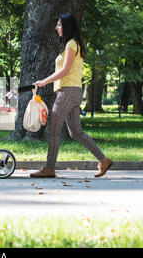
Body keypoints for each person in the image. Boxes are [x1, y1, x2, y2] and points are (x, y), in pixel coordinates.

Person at [30, 13, 112, 178]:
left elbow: (65, 70)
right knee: (75, 132)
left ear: (66, 26)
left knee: (53, 130)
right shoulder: (74, 44)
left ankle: (49, 168)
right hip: (73, 91)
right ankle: (103, 160)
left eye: (59, 24)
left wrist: (44, 81)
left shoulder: (71, 44)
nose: (56, 28)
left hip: (67, 91)